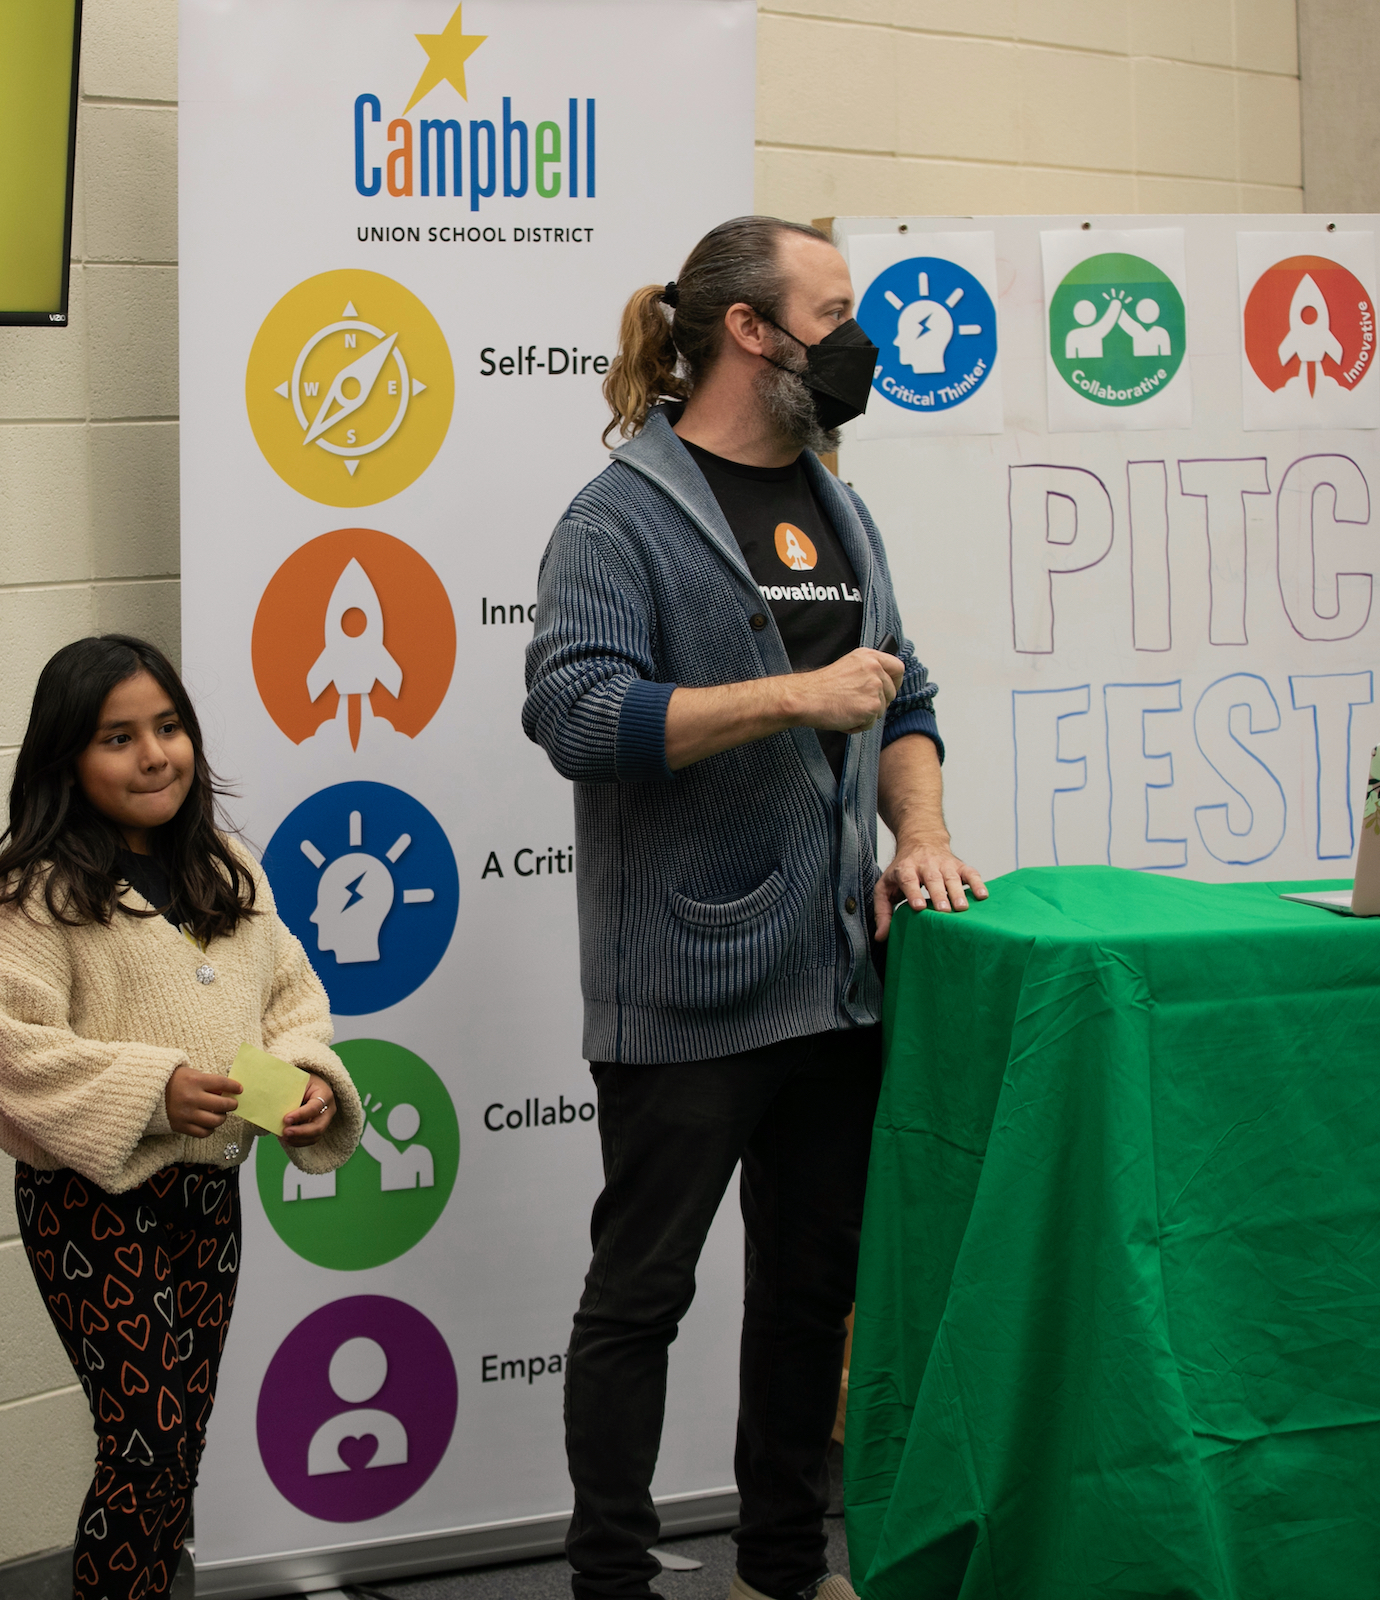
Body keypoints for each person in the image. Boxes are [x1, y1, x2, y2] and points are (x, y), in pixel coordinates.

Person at [522, 216, 986, 1600]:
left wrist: (923, 834)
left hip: (839, 983)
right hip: (686, 990)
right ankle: (611, 1574)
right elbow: (576, 714)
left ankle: (785, 1566)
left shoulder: (838, 502)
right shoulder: (621, 515)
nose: (860, 341)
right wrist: (791, 693)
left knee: (809, 1294)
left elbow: (905, 697)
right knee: (641, 1296)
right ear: (749, 329)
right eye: (834, 311)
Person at [0, 635, 366, 1600]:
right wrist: (153, 1091)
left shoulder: (228, 868)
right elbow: (6, 1047)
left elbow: (292, 1001)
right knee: (141, 1448)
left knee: (180, 1437)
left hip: (207, 1197)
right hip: (89, 1207)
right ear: (65, 759)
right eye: (117, 737)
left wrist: (304, 1082)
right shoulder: (37, 893)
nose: (154, 755)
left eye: (169, 727)